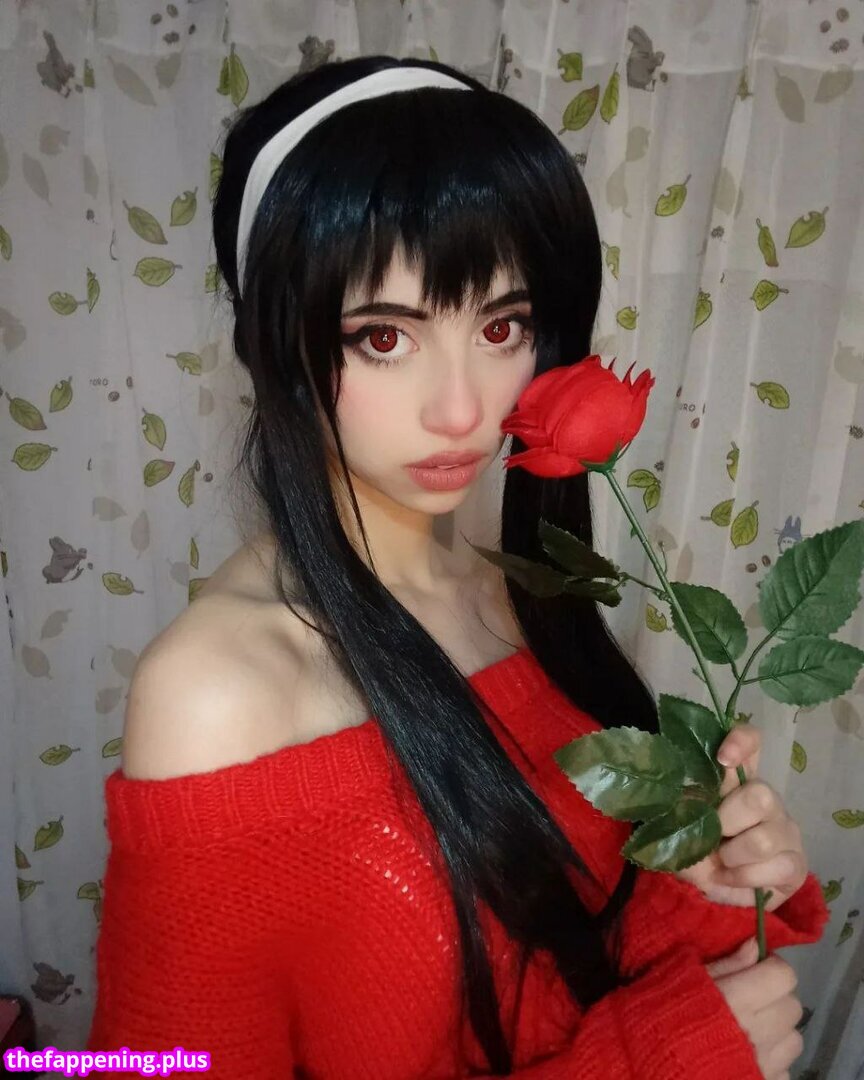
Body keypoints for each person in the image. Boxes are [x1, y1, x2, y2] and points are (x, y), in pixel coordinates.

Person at [86, 55, 829, 1078]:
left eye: (501, 327)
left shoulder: (511, 594)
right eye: (382, 337)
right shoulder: (215, 696)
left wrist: (706, 878)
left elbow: (560, 965)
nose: (462, 408)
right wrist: (658, 1060)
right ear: (276, 343)